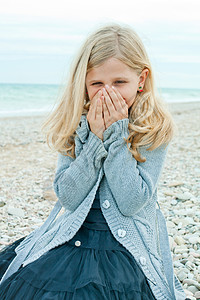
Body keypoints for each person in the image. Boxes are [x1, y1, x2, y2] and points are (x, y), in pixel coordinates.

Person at [0, 23, 186, 299]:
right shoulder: (77, 124)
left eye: (119, 83)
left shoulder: (154, 127)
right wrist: (96, 140)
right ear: (83, 84)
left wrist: (117, 136)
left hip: (125, 244)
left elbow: (131, 200)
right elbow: (70, 198)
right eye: (96, 84)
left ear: (141, 79)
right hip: (74, 233)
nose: (107, 93)